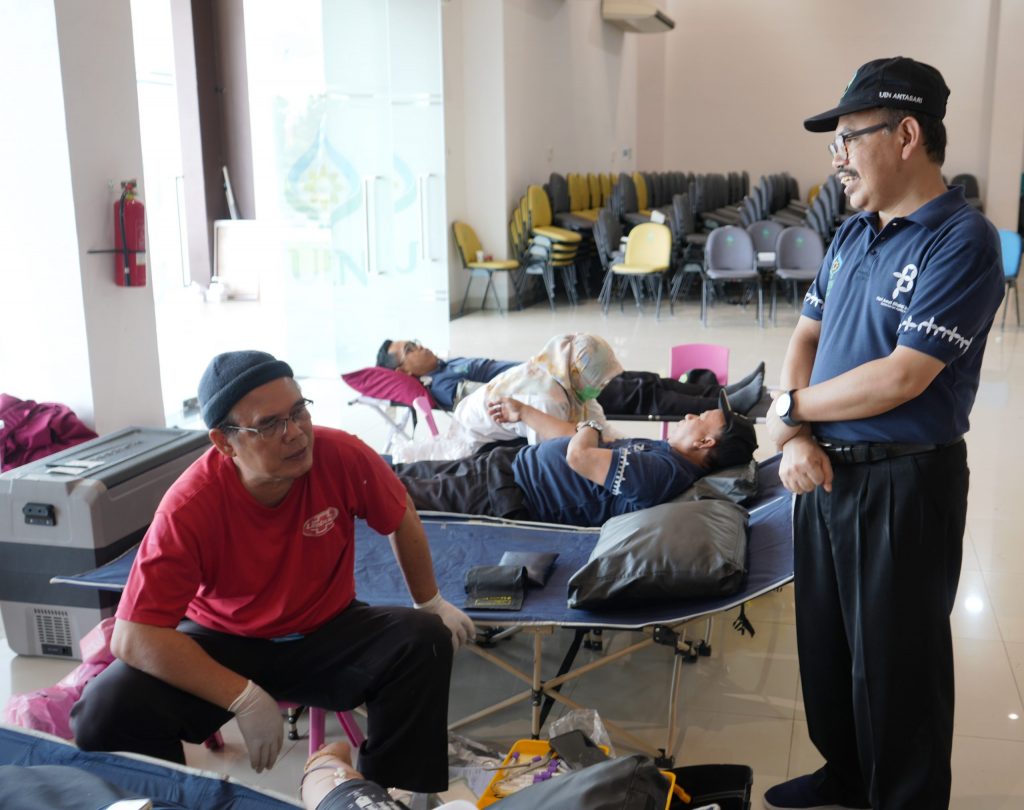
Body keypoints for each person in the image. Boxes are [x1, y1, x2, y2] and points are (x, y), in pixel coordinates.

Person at [763, 57, 1004, 810]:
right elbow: (804, 336)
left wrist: (792, 411)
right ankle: (846, 776)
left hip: (905, 482)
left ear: (906, 135)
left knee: (897, 668)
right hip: (826, 474)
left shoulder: (962, 241)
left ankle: (902, 797)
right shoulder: (852, 235)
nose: (835, 163)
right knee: (829, 650)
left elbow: (904, 375)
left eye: (847, 141)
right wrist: (797, 434)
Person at [71, 351, 476, 795]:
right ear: (225, 444)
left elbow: (400, 514)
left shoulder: (340, 455)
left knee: (424, 640)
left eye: (299, 411)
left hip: (327, 629)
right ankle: (170, 803)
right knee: (104, 710)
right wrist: (241, 696)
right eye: (269, 424)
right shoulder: (191, 506)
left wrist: (429, 601)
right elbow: (133, 635)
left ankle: (384, 799)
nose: (296, 433)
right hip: (226, 640)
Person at [395, 390, 757, 527]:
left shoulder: (663, 474)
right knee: (399, 475)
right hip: (504, 469)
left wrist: (591, 424)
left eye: (700, 418)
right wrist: (524, 412)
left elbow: (580, 455)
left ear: (706, 441)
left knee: (394, 494)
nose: (690, 416)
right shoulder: (665, 454)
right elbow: (578, 440)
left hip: (504, 494)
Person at [377, 338, 766, 416]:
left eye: (413, 342)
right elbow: (497, 397)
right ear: (402, 371)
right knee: (638, 396)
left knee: (639, 378)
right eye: (409, 350)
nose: (419, 346)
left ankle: (721, 391)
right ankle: (727, 405)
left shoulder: (447, 364)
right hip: (549, 392)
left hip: (550, 373)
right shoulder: (444, 385)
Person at [300, 741, 477, 810]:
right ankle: (326, 756)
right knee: (335, 754)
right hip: (349, 790)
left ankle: (323, 756)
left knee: (323, 763)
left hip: (334, 793)